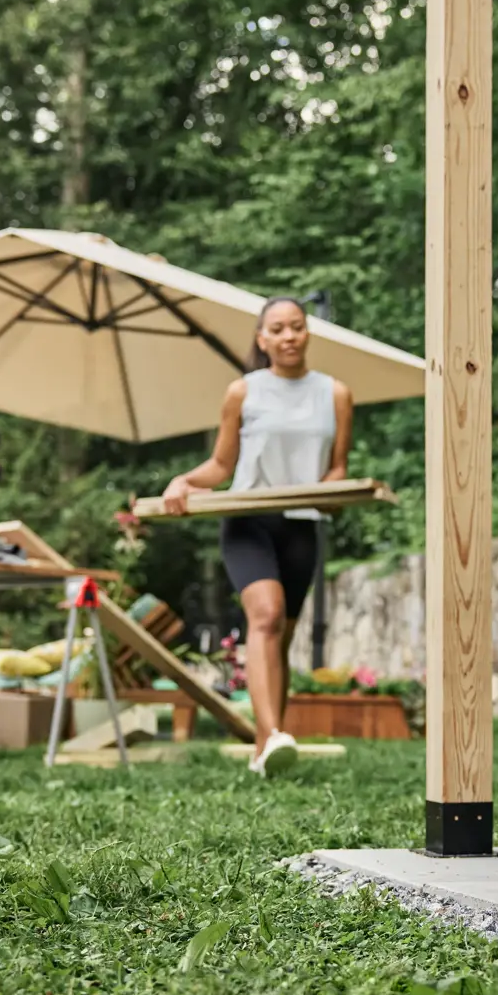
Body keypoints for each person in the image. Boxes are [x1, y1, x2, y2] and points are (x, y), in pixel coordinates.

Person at [161, 296, 354, 776]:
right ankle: (269, 738)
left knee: (280, 638)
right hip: (249, 520)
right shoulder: (243, 392)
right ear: (262, 339)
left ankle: (266, 746)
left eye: (296, 327)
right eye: (278, 329)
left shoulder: (335, 394)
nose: (288, 336)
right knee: (264, 618)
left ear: (307, 333)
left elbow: (337, 467)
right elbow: (221, 466)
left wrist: (334, 491)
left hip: (303, 526)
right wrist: (183, 481)